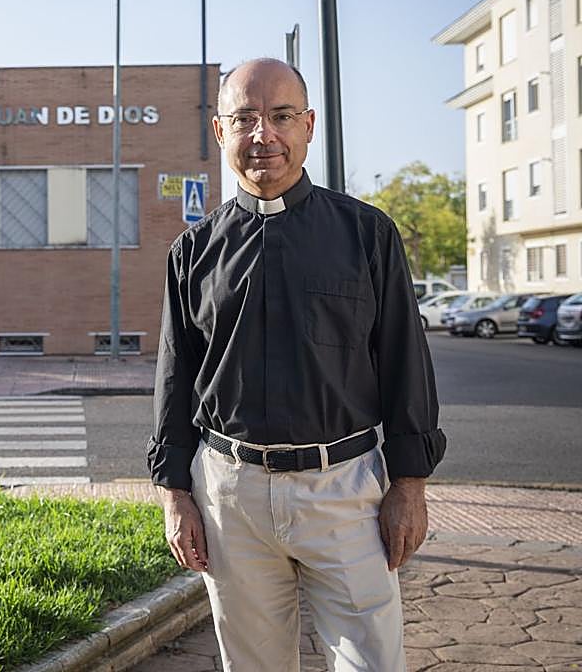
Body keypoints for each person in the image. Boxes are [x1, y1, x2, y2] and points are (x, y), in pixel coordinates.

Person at [147, 58, 446, 671]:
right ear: (219, 131)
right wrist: (175, 494)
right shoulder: (193, 252)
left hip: (347, 492)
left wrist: (409, 484)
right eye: (246, 119)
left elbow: (404, 362)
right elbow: (175, 382)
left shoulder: (367, 234)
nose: (265, 135)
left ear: (308, 125)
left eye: (281, 116)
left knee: (372, 663)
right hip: (231, 496)